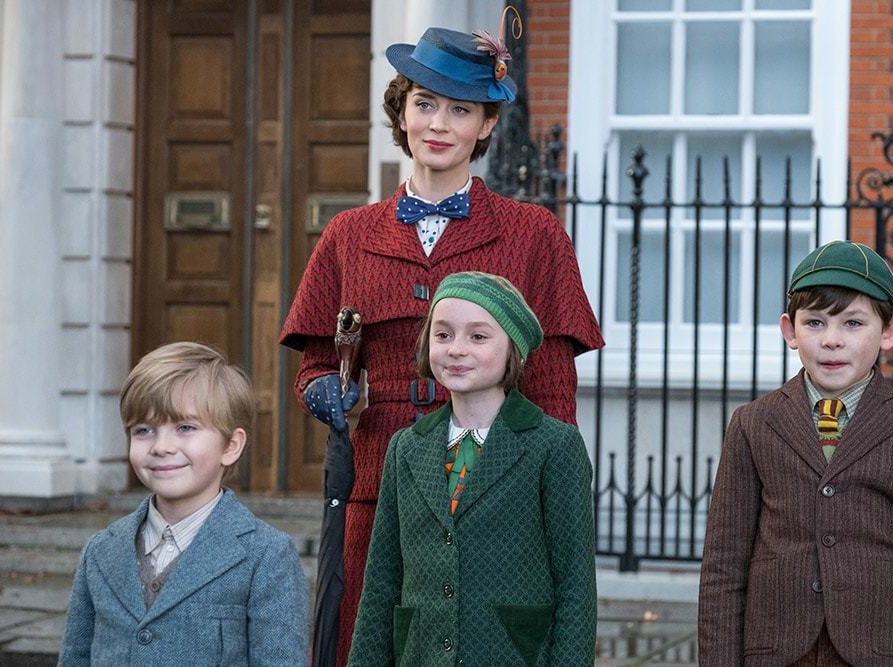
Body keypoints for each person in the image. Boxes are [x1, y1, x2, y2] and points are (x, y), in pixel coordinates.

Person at [279, 21, 603, 663]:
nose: (440, 123)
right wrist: (324, 391)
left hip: (498, 495)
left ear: (486, 126)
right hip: (379, 487)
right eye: (425, 103)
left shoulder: (533, 233)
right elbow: (318, 360)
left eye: (461, 109)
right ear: (401, 112)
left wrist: (539, 487)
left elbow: (552, 389)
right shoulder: (348, 233)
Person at [698, 240, 893, 665]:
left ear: (889, 331)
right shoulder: (753, 424)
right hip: (777, 652)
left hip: (880, 653)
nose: (832, 341)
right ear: (790, 330)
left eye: (853, 323)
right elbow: (722, 570)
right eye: (816, 322)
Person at [347, 271, 596, 665]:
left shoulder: (554, 446)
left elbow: (576, 587)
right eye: (443, 335)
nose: (456, 349)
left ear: (512, 348)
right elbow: (381, 583)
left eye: (478, 337)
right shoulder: (405, 448)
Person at [58, 342, 309, 666]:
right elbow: (75, 658)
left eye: (185, 428)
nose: (162, 446)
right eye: (144, 430)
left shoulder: (267, 556)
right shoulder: (100, 552)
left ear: (231, 446)